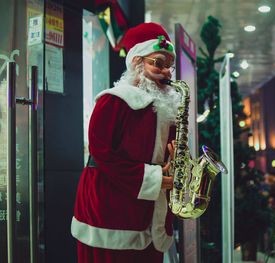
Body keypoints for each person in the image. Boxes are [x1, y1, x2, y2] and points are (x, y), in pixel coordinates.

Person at [71, 22, 181, 263]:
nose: (167, 73)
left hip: (150, 214)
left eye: (169, 66)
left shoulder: (167, 109)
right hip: (111, 214)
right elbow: (101, 152)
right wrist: (153, 178)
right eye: (158, 64)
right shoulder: (114, 101)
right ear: (137, 63)